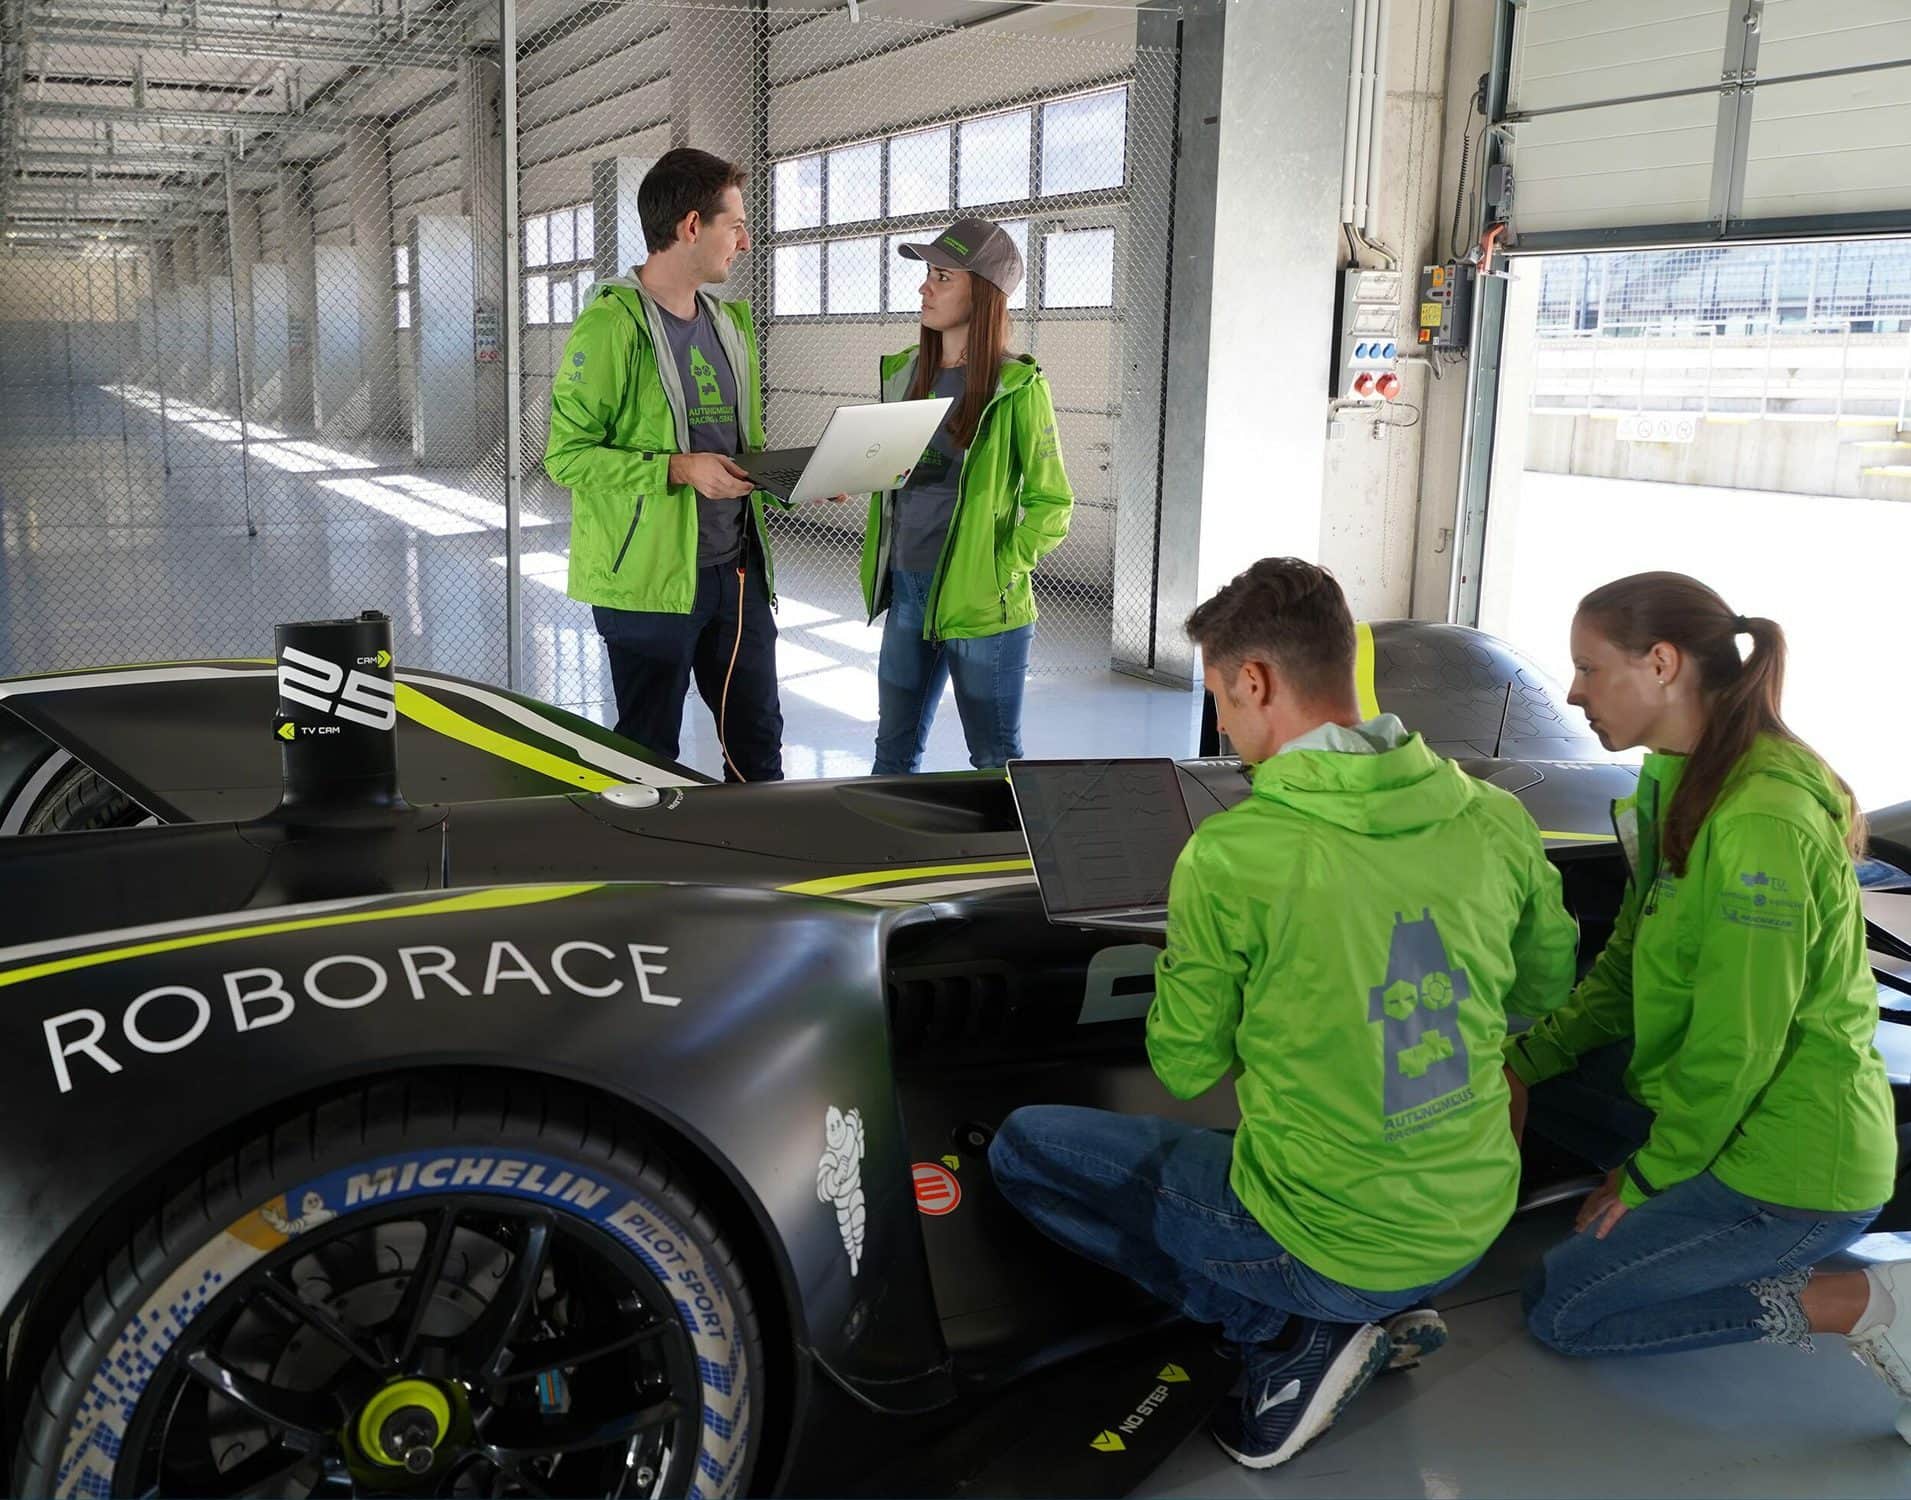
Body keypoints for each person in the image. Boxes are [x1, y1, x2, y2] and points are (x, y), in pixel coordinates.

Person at [989, 558, 1579, 1469]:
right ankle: (1366, 1313)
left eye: (1221, 698)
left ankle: (1287, 1327)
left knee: (1024, 1148)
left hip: (1334, 1241)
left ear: (1255, 681)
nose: (1221, 723)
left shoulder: (1235, 854)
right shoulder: (1492, 815)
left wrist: (1192, 958)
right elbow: (1539, 988)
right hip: (1472, 1216)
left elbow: (1184, 1067)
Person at [1506, 572, 1908, 1408]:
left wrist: (1648, 1177)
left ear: (1659, 664)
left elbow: (1739, 1040)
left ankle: (1867, 1300)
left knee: (1564, 1309)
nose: (1573, 692)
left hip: (1794, 1165)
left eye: (1587, 668)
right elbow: (1622, 966)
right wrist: (1521, 1062)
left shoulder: (1758, 818)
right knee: (1506, 1087)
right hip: (1713, 1111)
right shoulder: (1675, 778)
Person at [544, 147, 785, 782]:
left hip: (735, 573)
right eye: (735, 225)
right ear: (690, 227)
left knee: (758, 748)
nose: (745, 240)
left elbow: (733, 448)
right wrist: (674, 469)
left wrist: (796, 477)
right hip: (648, 583)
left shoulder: (729, 326)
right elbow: (567, 458)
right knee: (647, 757)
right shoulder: (609, 327)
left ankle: (761, 873)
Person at [858, 217, 1073, 773]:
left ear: (983, 292)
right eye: (928, 274)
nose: (925, 288)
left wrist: (1001, 566)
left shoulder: (1018, 387)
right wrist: (851, 477)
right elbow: (892, 470)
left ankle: (1010, 859)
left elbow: (1053, 503)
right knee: (892, 754)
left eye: (943, 277)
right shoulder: (907, 373)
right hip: (908, 591)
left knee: (995, 761)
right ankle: (888, 860)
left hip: (982, 604)